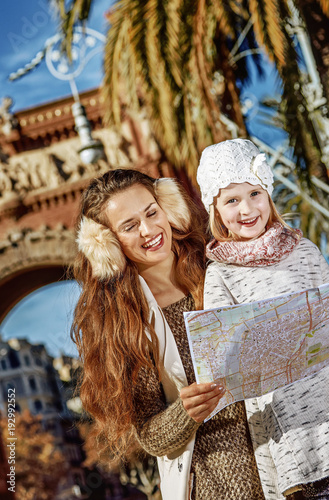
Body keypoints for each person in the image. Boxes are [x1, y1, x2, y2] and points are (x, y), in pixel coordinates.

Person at [72, 168, 266, 500]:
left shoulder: (220, 261)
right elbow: (150, 435)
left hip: (289, 455)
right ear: (105, 244)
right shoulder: (127, 326)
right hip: (219, 485)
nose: (149, 230)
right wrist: (185, 413)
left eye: (151, 213)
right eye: (130, 226)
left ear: (166, 206)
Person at [196, 138, 329, 500]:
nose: (246, 209)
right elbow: (220, 356)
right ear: (217, 211)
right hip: (290, 432)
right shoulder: (220, 274)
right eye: (232, 200)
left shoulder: (305, 251)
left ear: (268, 192)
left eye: (255, 193)